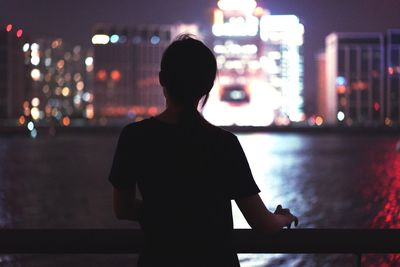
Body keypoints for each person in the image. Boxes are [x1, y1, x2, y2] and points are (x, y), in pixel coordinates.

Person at [109, 34, 298, 267]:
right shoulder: (224, 144)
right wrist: (283, 218)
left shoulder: (134, 137)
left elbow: (122, 208)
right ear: (208, 85)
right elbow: (261, 222)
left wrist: (166, 211)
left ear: (162, 79)